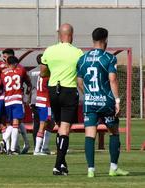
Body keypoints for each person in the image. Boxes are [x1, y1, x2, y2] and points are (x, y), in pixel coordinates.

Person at [77, 27, 129, 178]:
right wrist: (117, 100)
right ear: (105, 40)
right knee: (114, 132)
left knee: (90, 135)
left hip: (90, 102)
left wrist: (88, 95)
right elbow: (112, 79)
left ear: (93, 40)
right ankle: (113, 168)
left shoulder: (83, 59)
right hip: (106, 102)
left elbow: (79, 81)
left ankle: (91, 170)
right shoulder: (109, 58)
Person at [40, 23, 83, 175]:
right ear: (71, 35)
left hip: (53, 91)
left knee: (60, 127)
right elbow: (80, 76)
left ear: (60, 35)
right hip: (69, 90)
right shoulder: (78, 53)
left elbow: (43, 73)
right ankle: (57, 165)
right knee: (65, 129)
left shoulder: (49, 50)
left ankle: (63, 164)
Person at [1, 56, 32, 155]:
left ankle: (4, 140)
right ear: (14, 64)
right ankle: (13, 149)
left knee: (10, 124)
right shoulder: (21, 71)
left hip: (7, 101)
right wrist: (27, 93)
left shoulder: (3, 73)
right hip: (17, 99)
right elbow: (28, 83)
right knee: (16, 124)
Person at [33, 54, 53, 155]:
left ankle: (44, 148)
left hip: (40, 101)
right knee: (43, 125)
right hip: (46, 102)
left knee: (50, 124)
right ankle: (37, 150)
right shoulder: (48, 75)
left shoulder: (41, 73)